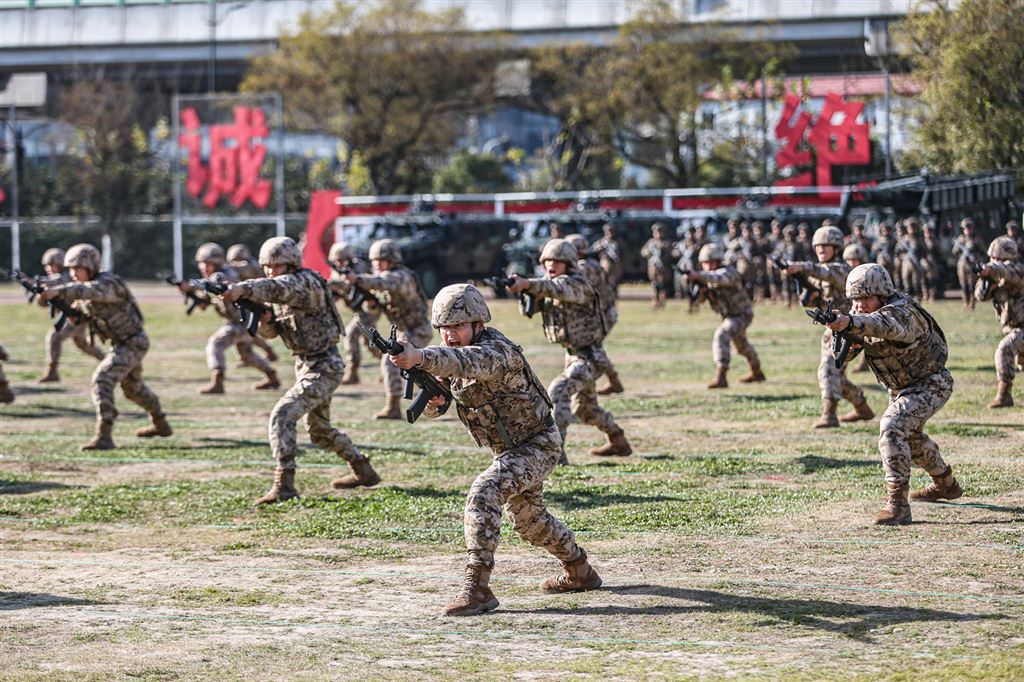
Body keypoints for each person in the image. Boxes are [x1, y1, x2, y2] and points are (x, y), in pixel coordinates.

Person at [390, 284, 602, 616]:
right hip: (508, 450)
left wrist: (420, 356)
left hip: (539, 444)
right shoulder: (455, 357)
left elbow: (465, 362)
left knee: (485, 490)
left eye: (457, 326)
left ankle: (477, 588)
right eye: (444, 328)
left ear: (478, 324)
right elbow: (440, 399)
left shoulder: (496, 352)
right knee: (531, 523)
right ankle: (579, 570)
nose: (450, 335)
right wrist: (434, 400)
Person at [221, 237, 381, 505]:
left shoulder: (303, 282)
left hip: (325, 366)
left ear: (290, 264)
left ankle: (284, 484)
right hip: (306, 364)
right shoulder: (283, 290)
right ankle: (362, 469)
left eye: (275, 266)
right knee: (319, 431)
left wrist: (242, 289)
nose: (270, 271)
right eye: (266, 267)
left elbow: (275, 288)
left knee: (282, 415)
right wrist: (264, 321)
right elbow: (273, 332)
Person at [824, 264, 962, 525]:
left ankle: (897, 505)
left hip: (931, 383)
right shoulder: (862, 316)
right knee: (911, 440)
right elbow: (844, 357)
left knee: (892, 426)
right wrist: (844, 334)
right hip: (900, 389)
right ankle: (946, 483)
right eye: (855, 299)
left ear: (882, 294)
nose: (860, 304)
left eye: (865, 298)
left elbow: (882, 324)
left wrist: (852, 322)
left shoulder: (902, 312)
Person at [38, 244, 173, 450]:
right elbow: (80, 316)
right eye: (71, 269)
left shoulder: (108, 283)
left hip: (132, 342)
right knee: (133, 389)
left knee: (102, 380)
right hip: (122, 344)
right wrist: (54, 301)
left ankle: (104, 435)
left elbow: (92, 292)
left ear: (91, 266)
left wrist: (61, 291)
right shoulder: (83, 292)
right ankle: (160, 423)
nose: (73, 274)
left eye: (77, 269)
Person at [508, 239, 631, 459]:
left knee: (558, 390)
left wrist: (529, 284)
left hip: (590, 357)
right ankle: (618, 440)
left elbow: (559, 288)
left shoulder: (577, 283)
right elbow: (530, 310)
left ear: (569, 263)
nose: (551, 265)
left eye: (557, 261)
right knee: (585, 410)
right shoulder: (547, 284)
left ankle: (555, 452)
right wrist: (524, 292)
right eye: (547, 261)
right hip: (572, 356)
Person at [784, 227, 873, 428]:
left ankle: (829, 414)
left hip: (849, 328)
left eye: (826, 245)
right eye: (818, 246)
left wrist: (799, 267)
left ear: (837, 247)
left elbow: (824, 272)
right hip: (833, 329)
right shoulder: (817, 275)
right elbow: (810, 300)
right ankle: (861, 406)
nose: (821, 249)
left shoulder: (841, 269)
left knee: (828, 368)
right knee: (836, 376)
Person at [343, 239, 432, 419]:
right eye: (373, 261)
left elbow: (382, 282)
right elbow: (374, 306)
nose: (375, 265)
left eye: (379, 261)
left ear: (391, 260)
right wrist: (372, 303)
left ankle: (393, 407)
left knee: (390, 361)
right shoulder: (384, 280)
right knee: (415, 369)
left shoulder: (400, 276)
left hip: (417, 330)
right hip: (404, 331)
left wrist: (358, 279)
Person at [177, 243, 280, 394]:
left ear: (217, 263)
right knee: (246, 354)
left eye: (208, 263)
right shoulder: (214, 277)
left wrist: (191, 286)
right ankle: (272, 376)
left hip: (242, 322)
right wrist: (193, 296)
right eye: (201, 263)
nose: (204, 267)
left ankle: (217, 381)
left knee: (216, 344)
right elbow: (205, 300)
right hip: (240, 323)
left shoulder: (225, 274)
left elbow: (212, 285)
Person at [683, 243, 765, 389]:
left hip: (742, 314)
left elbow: (719, 278)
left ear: (718, 260)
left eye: (710, 262)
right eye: (704, 263)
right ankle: (757, 371)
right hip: (728, 316)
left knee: (722, 334)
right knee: (741, 346)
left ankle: (721, 376)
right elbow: (699, 302)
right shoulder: (706, 279)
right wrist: (695, 286)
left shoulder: (729, 272)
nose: (707, 266)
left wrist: (699, 275)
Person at [35, 247, 105, 383]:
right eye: (46, 266)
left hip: (80, 317)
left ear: (60, 265)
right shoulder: (61, 279)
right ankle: (108, 360)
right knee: (83, 344)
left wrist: (39, 284)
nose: (48, 268)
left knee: (54, 336)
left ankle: (52, 371)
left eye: (51, 265)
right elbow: (44, 303)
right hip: (75, 316)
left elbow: (56, 282)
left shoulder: (66, 278)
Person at [566, 234, 623, 395]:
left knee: (593, 348)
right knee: (594, 348)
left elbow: (573, 288)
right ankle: (613, 381)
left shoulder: (584, 267)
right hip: (603, 313)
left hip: (603, 315)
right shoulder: (588, 264)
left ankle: (609, 382)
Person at [975, 237, 1024, 408]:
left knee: (1004, 348)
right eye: (992, 258)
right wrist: (988, 282)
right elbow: (980, 296)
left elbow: (1006, 271)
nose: (994, 262)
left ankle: (1004, 396)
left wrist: (992, 268)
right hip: (1014, 329)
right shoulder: (994, 276)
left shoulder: (1018, 270)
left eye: (998, 259)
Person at [325, 241, 382, 385]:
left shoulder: (359, 268)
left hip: (369, 309)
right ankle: (389, 365)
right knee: (371, 344)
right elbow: (337, 292)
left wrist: (326, 284)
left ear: (349, 258)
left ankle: (353, 373)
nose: (340, 263)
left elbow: (346, 284)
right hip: (358, 311)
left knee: (350, 334)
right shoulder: (337, 271)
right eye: (337, 261)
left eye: (342, 260)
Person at [227, 243, 279, 364]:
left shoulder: (252, 266)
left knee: (248, 329)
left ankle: (267, 351)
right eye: (234, 261)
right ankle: (249, 355)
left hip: (255, 303)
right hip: (244, 302)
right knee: (244, 329)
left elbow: (245, 269)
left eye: (239, 260)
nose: (237, 264)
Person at [640, 223, 675, 309]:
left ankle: (662, 302)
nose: (658, 234)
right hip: (653, 267)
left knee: (662, 285)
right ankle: (655, 302)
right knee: (654, 285)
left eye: (660, 232)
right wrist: (648, 252)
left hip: (664, 267)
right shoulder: (651, 242)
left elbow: (673, 253)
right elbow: (643, 251)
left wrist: (666, 251)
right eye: (656, 232)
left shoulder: (667, 243)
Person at [590, 222, 624, 291]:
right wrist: (600, 248)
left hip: (614, 267)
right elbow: (592, 250)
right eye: (608, 231)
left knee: (613, 286)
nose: (610, 233)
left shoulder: (616, 242)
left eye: (611, 231)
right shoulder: (601, 242)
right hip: (603, 266)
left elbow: (621, 255)